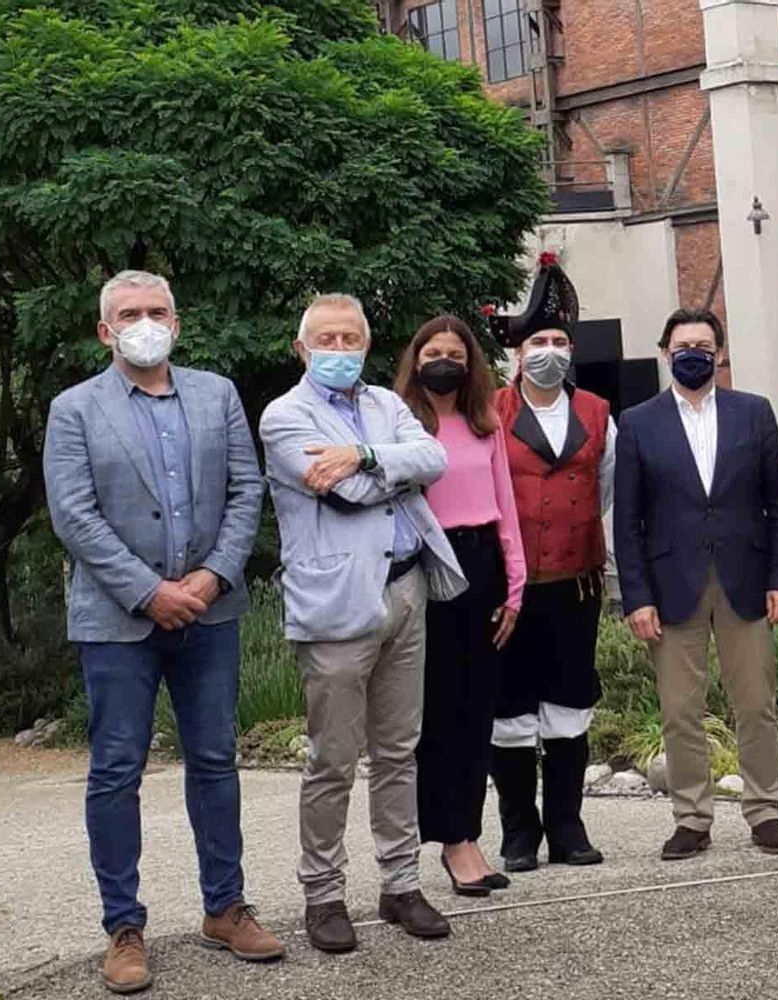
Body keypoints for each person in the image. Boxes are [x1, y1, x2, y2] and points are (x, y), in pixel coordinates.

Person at [44, 269, 281, 994]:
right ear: (104, 330)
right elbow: (74, 516)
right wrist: (150, 593)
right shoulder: (73, 409)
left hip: (211, 612)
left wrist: (210, 579)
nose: (143, 322)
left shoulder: (216, 396)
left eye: (156, 311)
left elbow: (247, 491)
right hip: (118, 621)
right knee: (116, 771)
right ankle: (124, 926)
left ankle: (226, 907)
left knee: (215, 761)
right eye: (128, 313)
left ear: (177, 323)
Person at [260, 293, 466, 953]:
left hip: (406, 589)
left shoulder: (386, 403)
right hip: (338, 603)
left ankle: (401, 882)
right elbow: (340, 493)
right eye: (327, 339)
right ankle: (323, 895)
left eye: (352, 339)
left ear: (367, 346)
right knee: (334, 760)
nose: (340, 350)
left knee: (399, 750)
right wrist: (382, 469)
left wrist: (365, 456)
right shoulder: (284, 416)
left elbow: (433, 459)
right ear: (302, 348)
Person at [614, 309, 778, 861]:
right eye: (681, 344)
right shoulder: (639, 422)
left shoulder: (754, 413)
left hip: (746, 579)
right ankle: (692, 818)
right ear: (665, 352)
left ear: (719, 352)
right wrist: (637, 596)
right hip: (672, 587)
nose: (692, 352)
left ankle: (766, 811)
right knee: (680, 710)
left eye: (702, 343)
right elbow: (628, 522)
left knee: (755, 703)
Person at [487, 257, 615, 871]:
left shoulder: (596, 411)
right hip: (509, 591)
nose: (550, 351)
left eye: (560, 341)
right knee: (509, 711)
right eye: (539, 341)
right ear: (518, 352)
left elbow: (603, 488)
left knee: (568, 706)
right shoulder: (490, 412)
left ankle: (567, 825)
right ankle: (518, 831)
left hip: (576, 583)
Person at [393, 315, 528, 895]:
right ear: (416, 361)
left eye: (455, 352)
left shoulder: (485, 422)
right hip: (425, 564)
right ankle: (438, 835)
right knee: (435, 712)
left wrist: (516, 583)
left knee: (477, 710)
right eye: (433, 352)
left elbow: (505, 503)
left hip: (482, 565)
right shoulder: (398, 423)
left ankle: (466, 836)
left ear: (471, 364)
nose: (444, 361)